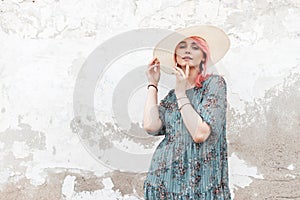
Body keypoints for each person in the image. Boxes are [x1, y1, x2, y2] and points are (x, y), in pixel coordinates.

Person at [142, 25, 232, 199]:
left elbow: (200, 133)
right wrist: (153, 84)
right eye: (182, 46)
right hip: (164, 182)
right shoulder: (171, 96)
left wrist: (182, 93)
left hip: (202, 184)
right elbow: (151, 126)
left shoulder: (214, 85)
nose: (187, 50)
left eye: (195, 47)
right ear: (175, 56)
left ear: (204, 57)